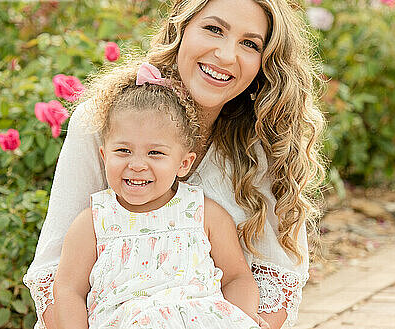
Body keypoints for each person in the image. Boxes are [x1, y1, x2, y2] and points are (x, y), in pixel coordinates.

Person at [24, 0, 325, 329]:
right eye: (214, 29)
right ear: (180, 27)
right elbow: (54, 277)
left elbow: (276, 277)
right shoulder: (102, 121)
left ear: (265, 62)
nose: (227, 55)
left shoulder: (263, 142)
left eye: (249, 43)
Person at [54, 62, 268, 329]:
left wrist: (241, 319)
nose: (137, 164)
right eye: (123, 151)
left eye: (155, 153)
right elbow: (68, 291)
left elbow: (236, 277)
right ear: (103, 156)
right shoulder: (94, 223)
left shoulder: (202, 213)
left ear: (184, 163)